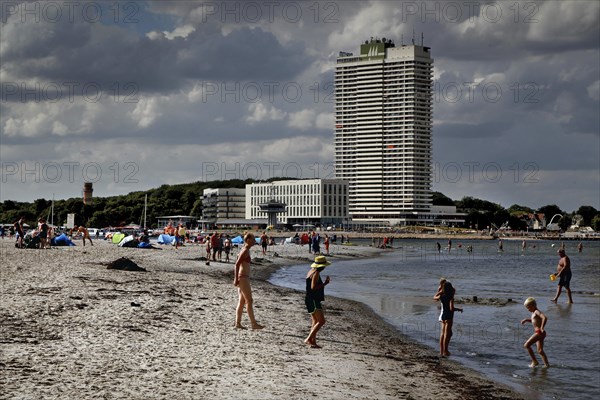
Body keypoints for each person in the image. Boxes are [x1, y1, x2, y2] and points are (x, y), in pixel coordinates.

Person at [233, 233, 263, 330]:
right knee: (249, 300)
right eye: (253, 239)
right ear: (248, 240)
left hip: (244, 277)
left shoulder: (245, 250)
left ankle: (238, 323)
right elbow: (237, 264)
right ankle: (254, 324)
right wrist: (236, 278)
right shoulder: (245, 250)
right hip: (243, 277)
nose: (255, 241)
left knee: (242, 301)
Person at [304, 255, 331, 349]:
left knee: (315, 321)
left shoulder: (311, 271)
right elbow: (313, 287)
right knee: (321, 321)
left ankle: (313, 342)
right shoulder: (315, 273)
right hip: (313, 299)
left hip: (309, 299)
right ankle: (308, 339)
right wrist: (324, 284)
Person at [433, 279, 463, 357]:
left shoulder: (442, 296)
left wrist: (439, 292)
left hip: (443, 316)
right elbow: (451, 308)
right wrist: (458, 309)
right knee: (447, 334)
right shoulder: (450, 298)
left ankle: (441, 351)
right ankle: (446, 351)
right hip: (449, 316)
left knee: (442, 334)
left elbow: (434, 297)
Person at [520, 297, 550, 368]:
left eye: (528, 307)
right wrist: (527, 320)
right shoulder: (533, 313)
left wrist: (542, 327)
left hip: (539, 332)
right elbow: (534, 321)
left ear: (533, 306)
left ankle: (535, 361)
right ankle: (547, 365)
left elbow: (544, 318)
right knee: (540, 351)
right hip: (540, 333)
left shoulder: (536, 311)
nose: (528, 309)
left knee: (526, 345)